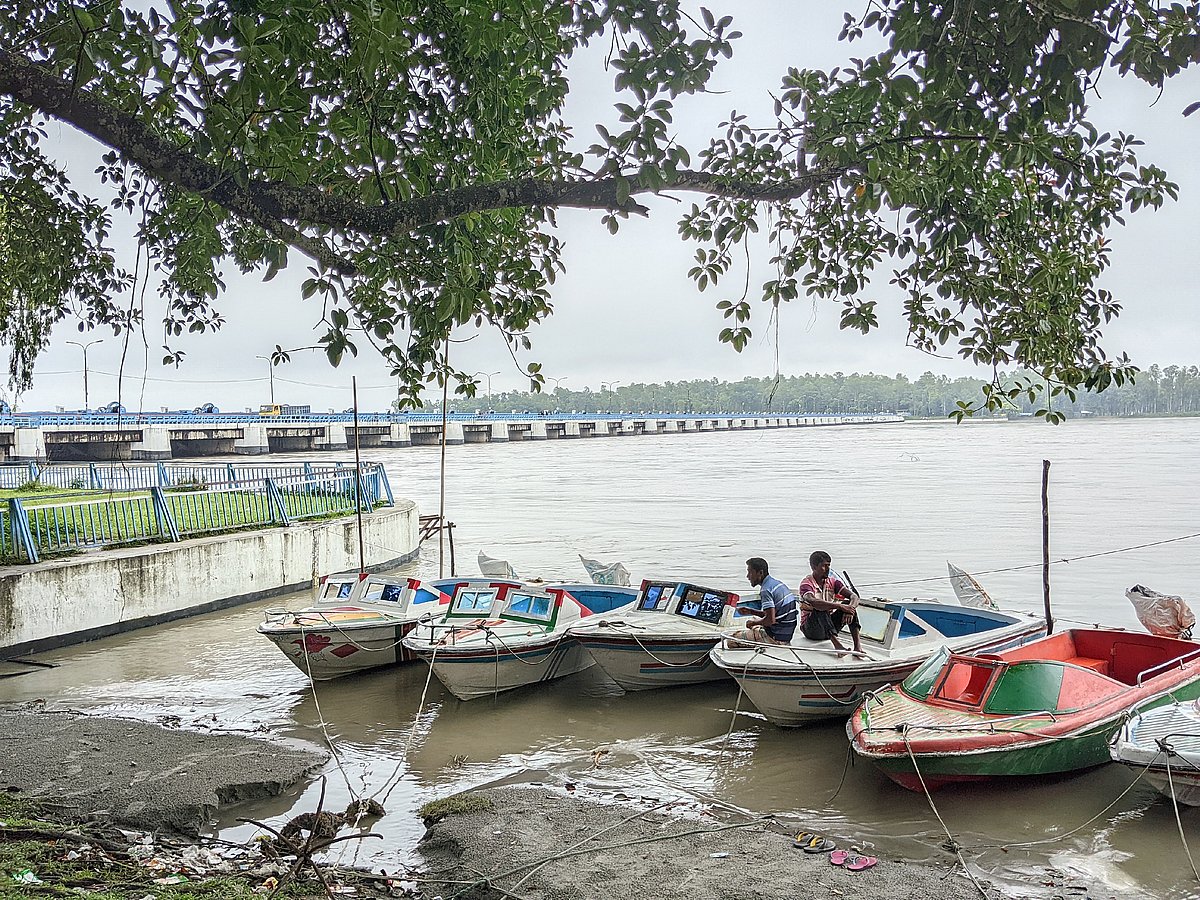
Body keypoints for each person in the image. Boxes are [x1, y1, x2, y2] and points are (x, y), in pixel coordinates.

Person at [798, 550, 863, 654]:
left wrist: (849, 609)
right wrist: (839, 607)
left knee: (849, 605)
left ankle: (857, 646)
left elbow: (854, 596)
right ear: (814, 567)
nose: (827, 569)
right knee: (820, 607)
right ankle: (838, 646)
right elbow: (813, 601)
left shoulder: (833, 582)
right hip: (811, 630)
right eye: (824, 566)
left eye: (829, 565)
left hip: (828, 627)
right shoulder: (806, 584)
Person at [727, 557, 797, 647]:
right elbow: (772, 615)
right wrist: (751, 611)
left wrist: (753, 623)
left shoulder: (765, 590)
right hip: (786, 634)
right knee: (754, 620)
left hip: (776, 638)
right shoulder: (776, 584)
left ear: (760, 573)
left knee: (731, 641)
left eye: (750, 572)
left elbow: (770, 620)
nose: (748, 576)